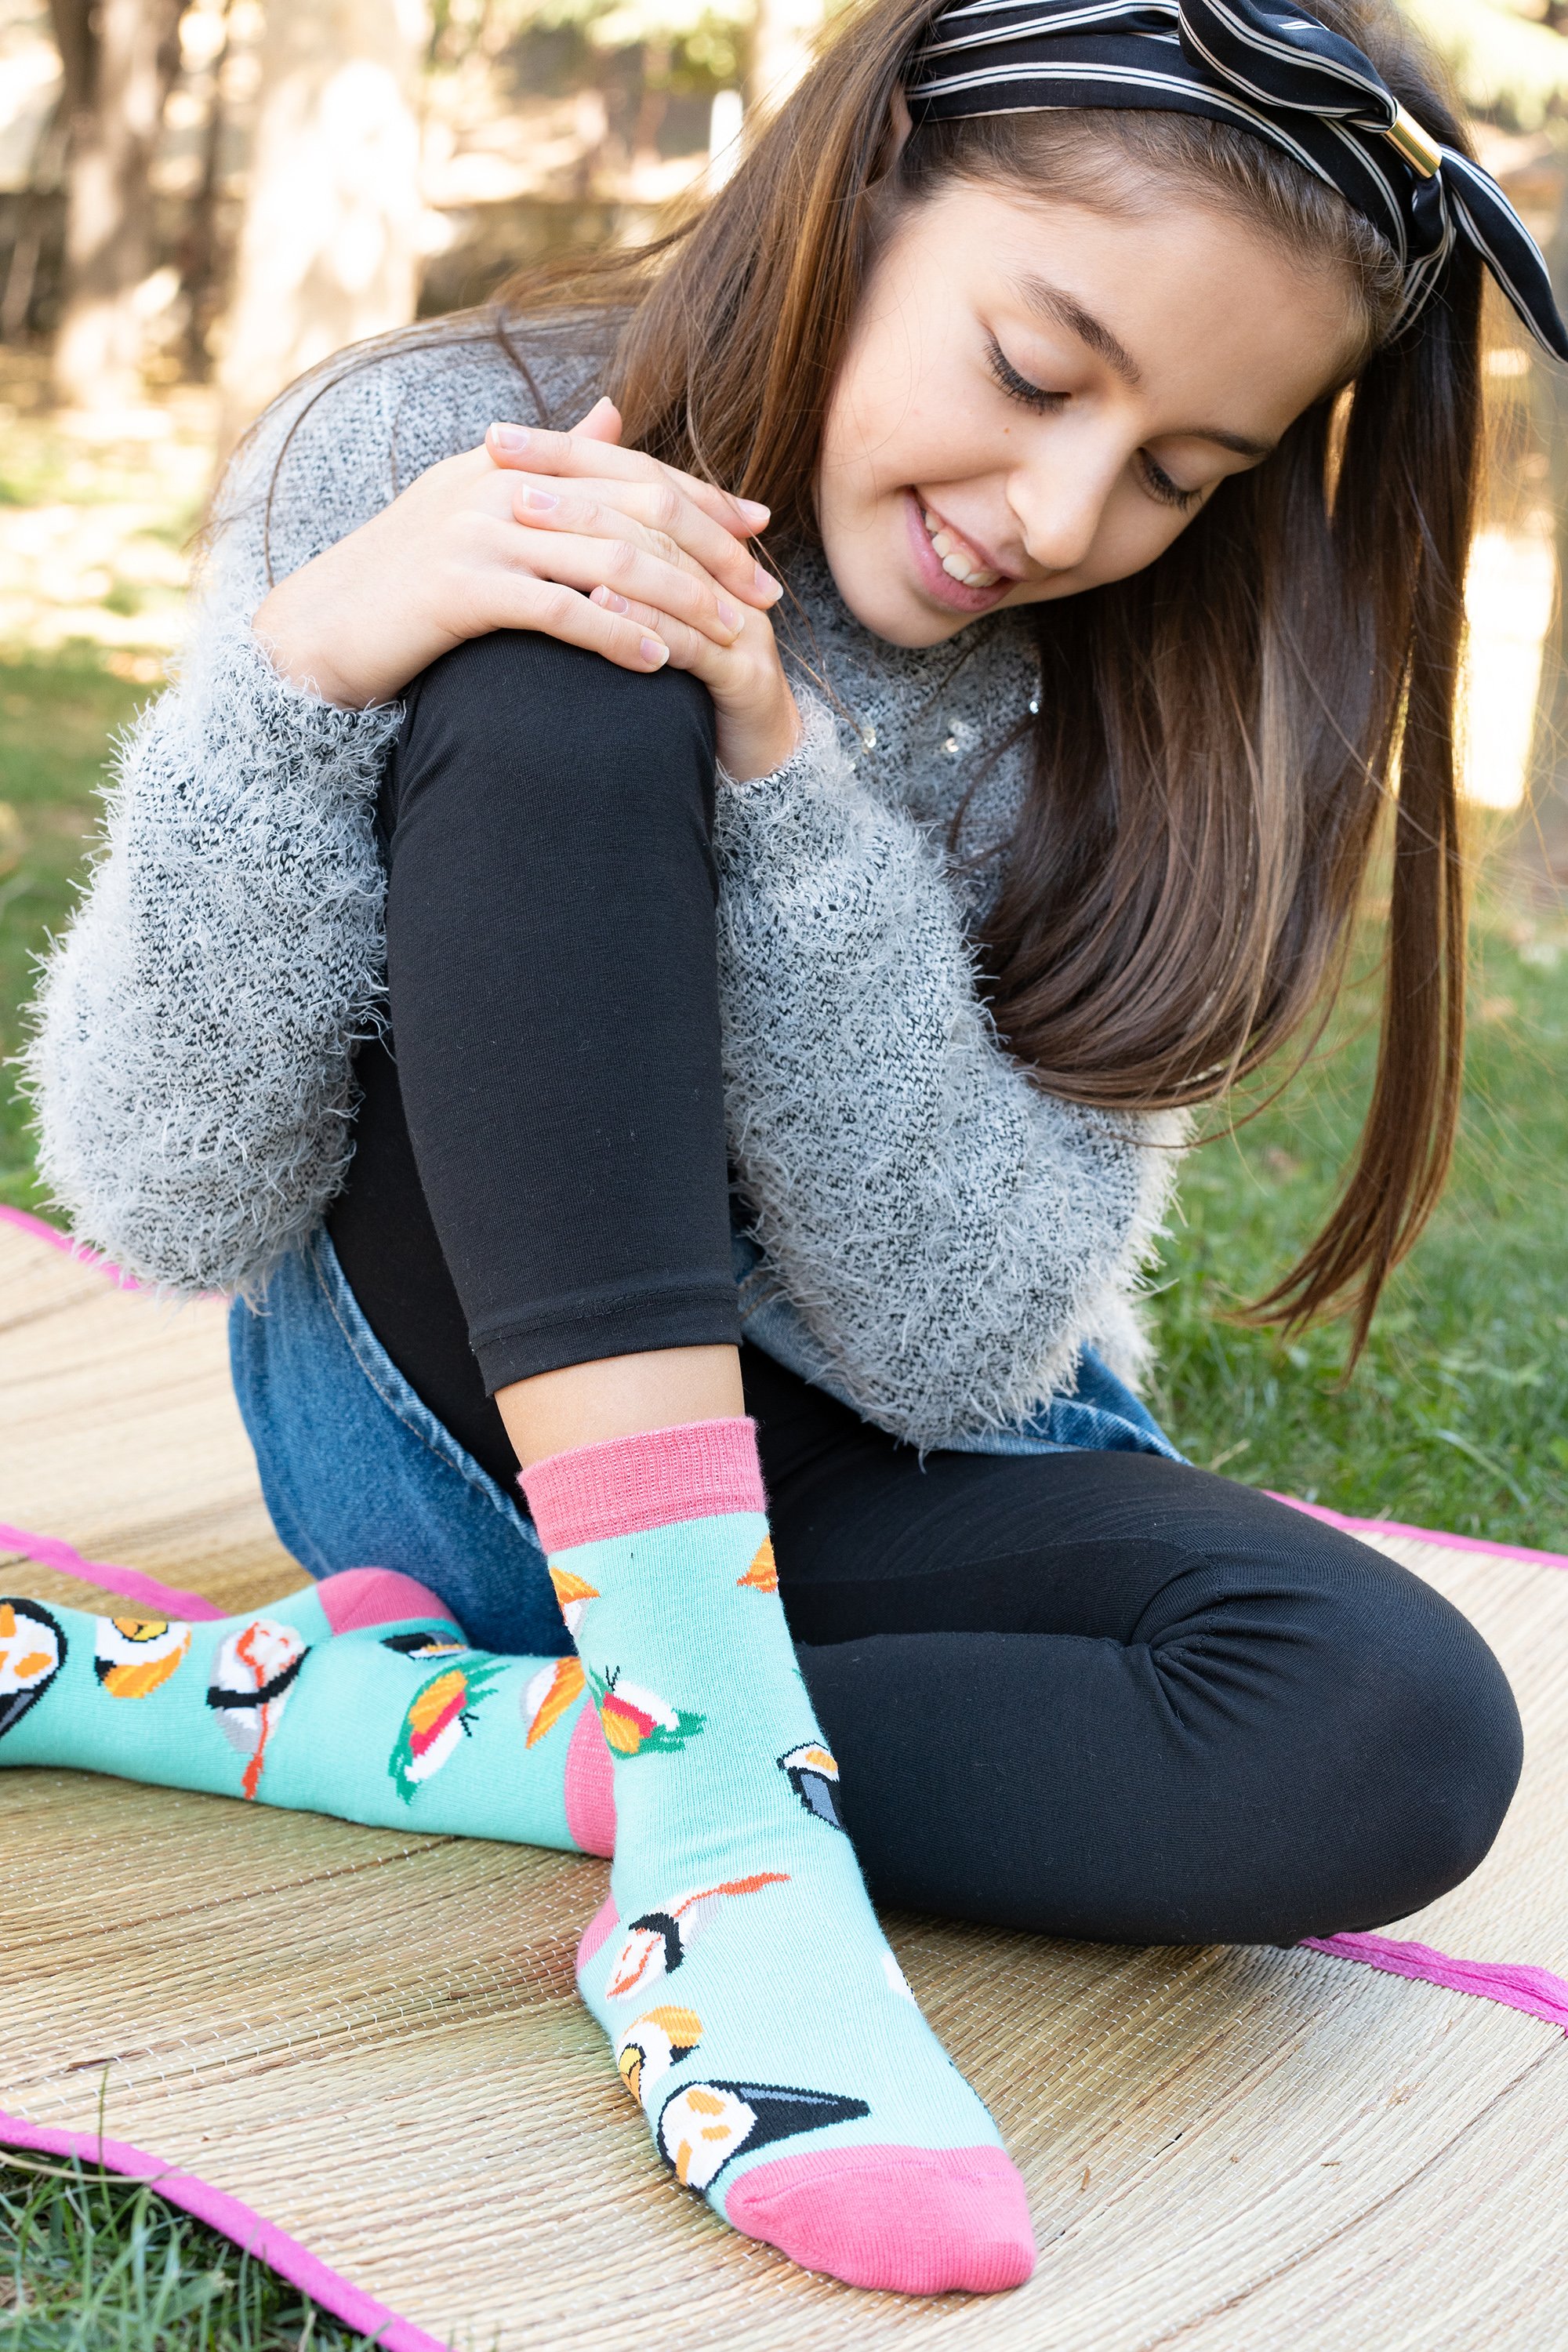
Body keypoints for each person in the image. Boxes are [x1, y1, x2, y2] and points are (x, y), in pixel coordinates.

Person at [16, 0, 1560, 2295]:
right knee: (563, 649)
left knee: (1397, 1735)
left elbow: (963, 1352)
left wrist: (788, 799)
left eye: (1184, 469)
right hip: (461, 1430)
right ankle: (728, 1851)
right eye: (1042, 370)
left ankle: (374, 1718)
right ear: (861, 185)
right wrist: (309, 667)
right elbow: (167, 1195)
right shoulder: (452, 444)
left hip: (873, 1483)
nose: (1065, 517)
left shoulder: (1166, 695)